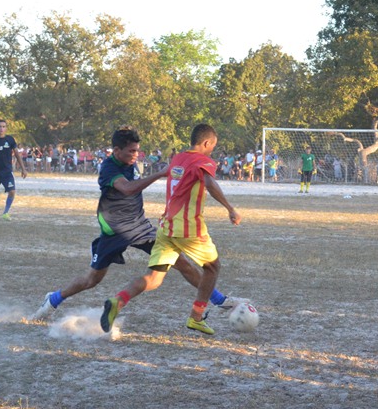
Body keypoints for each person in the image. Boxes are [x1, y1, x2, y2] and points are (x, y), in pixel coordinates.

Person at [33, 128, 238, 320]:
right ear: (116, 150)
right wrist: (160, 173)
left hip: (139, 226)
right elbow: (129, 189)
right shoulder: (109, 168)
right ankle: (53, 299)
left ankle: (219, 300)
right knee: (92, 280)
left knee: (181, 263)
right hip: (115, 230)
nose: (136, 155)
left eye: (137, 151)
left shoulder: (131, 164)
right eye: (131, 151)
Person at [100, 124, 241, 336]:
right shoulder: (202, 160)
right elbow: (210, 182)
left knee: (154, 278)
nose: (212, 150)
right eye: (212, 145)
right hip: (188, 228)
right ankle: (196, 317)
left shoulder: (178, 159)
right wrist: (230, 208)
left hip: (166, 227)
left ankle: (118, 301)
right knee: (212, 267)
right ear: (206, 143)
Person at [0, 119, 27, 220]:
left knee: (12, 191)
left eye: (3, 126)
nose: (1, 129)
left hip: (7, 171)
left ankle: (5, 213)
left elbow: (17, 154)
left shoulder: (10, 140)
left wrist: (23, 169)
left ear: (6, 128)